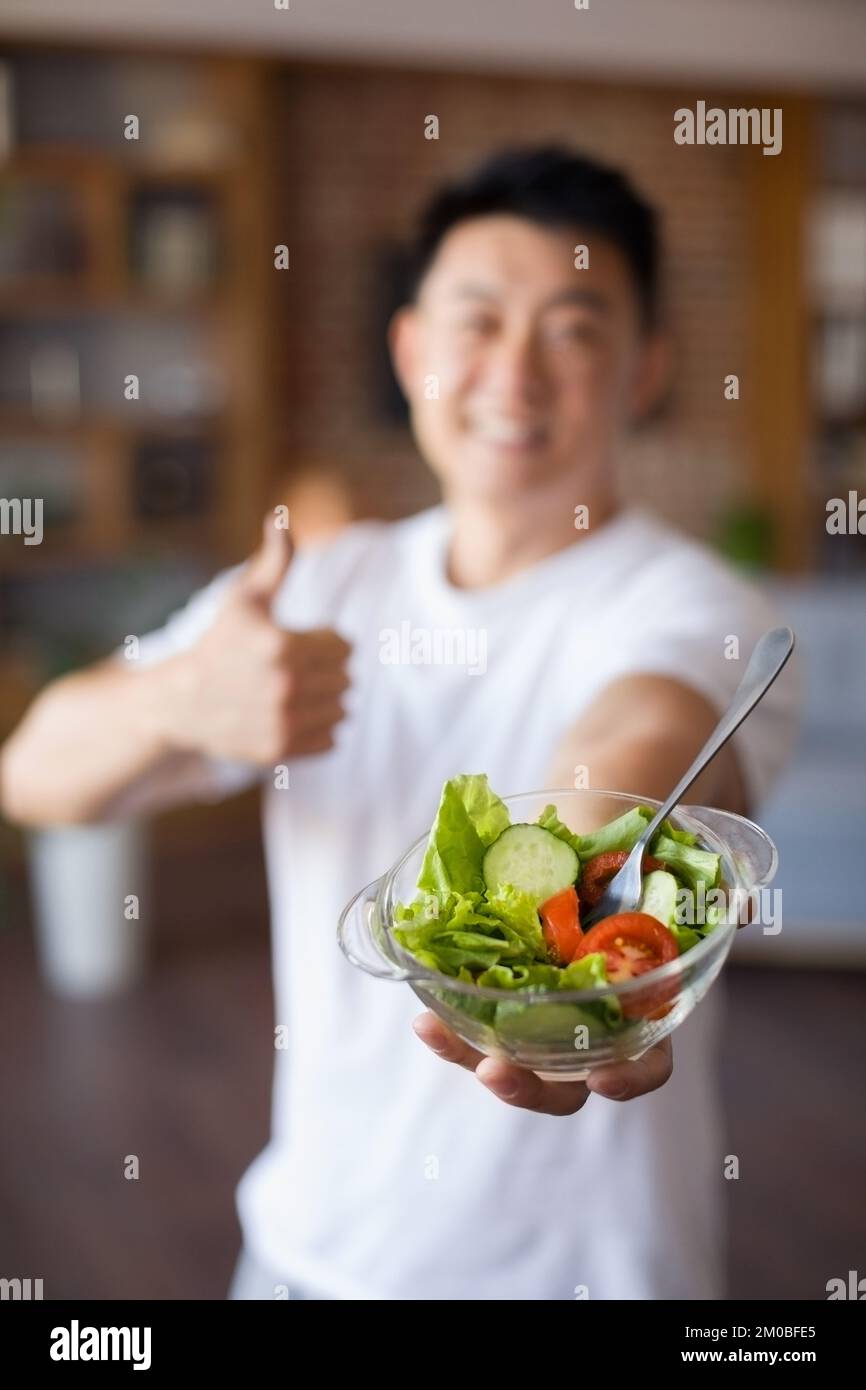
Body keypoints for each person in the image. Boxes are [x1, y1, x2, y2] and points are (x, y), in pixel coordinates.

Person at [1, 146, 797, 1301]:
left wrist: (575, 941)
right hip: (306, 1253)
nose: (513, 374)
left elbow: (639, 739)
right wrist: (183, 696)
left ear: (643, 370)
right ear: (413, 352)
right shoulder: (320, 587)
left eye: (573, 329)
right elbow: (32, 773)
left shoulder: (699, 603)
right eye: (476, 321)